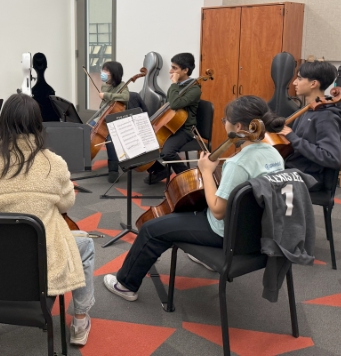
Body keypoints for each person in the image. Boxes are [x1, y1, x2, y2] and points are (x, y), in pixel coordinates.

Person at [0, 93, 95, 346]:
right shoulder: (54, 164)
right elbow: (66, 203)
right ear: (39, 125)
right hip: (40, 267)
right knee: (86, 245)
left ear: (3, 124)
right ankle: (80, 320)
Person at [104, 95, 285, 299]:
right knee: (179, 212)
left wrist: (207, 172)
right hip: (256, 231)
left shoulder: (238, 164)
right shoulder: (274, 154)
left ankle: (125, 284)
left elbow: (217, 212)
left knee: (150, 229)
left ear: (240, 126)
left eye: (225, 121)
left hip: (226, 233)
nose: (224, 124)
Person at [279, 61, 341, 190]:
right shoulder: (308, 109)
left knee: (256, 184)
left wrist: (293, 138)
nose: (294, 83)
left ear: (313, 83)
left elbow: (332, 158)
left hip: (309, 176)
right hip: (294, 167)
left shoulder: (326, 116)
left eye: (299, 78)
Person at [146, 53, 201, 184]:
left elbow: (175, 104)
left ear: (185, 70)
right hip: (171, 126)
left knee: (167, 153)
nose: (171, 71)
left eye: (174, 68)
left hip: (185, 130)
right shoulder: (177, 86)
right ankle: (161, 171)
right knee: (144, 145)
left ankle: (188, 179)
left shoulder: (195, 89)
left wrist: (174, 84)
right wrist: (175, 85)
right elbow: (170, 101)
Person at [93, 61, 129, 182]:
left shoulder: (122, 85)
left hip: (117, 120)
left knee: (110, 140)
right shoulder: (105, 85)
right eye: (103, 70)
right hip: (104, 117)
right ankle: (85, 157)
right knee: (88, 128)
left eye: (106, 71)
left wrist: (107, 95)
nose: (103, 73)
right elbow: (104, 104)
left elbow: (125, 98)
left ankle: (113, 169)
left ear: (114, 73)